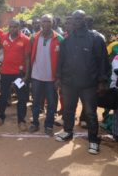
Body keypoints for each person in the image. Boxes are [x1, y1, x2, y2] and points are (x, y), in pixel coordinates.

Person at [55, 10, 110, 155]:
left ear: (84, 20)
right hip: (69, 83)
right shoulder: (67, 40)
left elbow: (102, 62)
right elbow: (61, 60)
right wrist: (59, 78)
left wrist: (102, 82)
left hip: (89, 84)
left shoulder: (95, 38)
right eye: (74, 19)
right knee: (68, 110)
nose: (77, 21)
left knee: (91, 113)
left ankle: (93, 140)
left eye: (80, 18)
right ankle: (67, 132)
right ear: (72, 21)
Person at [28, 14, 63, 136]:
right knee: (36, 102)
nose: (46, 24)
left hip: (51, 78)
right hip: (37, 76)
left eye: (48, 21)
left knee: (52, 103)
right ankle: (35, 123)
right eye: (44, 21)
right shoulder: (34, 38)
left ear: (53, 23)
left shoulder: (59, 39)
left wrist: (59, 78)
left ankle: (48, 125)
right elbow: (28, 56)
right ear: (40, 24)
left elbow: (62, 61)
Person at [0, 19, 31, 131]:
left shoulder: (25, 40)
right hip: (5, 73)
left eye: (15, 27)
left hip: (18, 75)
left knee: (22, 98)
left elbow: (27, 58)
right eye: (10, 27)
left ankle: (21, 121)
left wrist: (26, 76)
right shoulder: (4, 38)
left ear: (19, 28)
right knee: (3, 96)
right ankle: (1, 116)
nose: (12, 29)